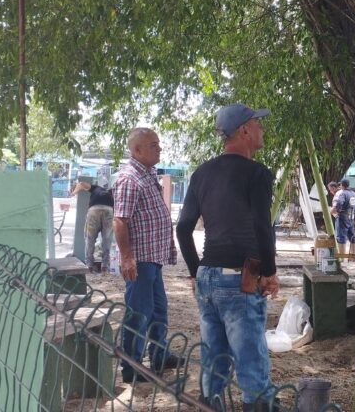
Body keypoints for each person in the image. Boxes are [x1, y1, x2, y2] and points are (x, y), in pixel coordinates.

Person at [176, 103, 280, 412]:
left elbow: (182, 229)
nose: (262, 130)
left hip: (208, 277)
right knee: (251, 363)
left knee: (214, 359)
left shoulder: (202, 173)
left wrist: (196, 272)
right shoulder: (257, 174)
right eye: (258, 124)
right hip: (239, 278)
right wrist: (268, 272)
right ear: (245, 130)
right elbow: (262, 226)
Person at [112, 127, 182, 383]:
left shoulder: (147, 173)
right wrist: (127, 257)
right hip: (139, 260)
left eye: (158, 144)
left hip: (152, 257)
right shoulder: (129, 178)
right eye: (153, 145)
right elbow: (120, 220)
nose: (159, 148)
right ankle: (132, 368)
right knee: (139, 312)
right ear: (137, 150)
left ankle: (159, 355)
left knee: (158, 310)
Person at [70, 181, 114, 272]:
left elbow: (81, 184)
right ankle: (105, 266)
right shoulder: (112, 192)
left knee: (89, 238)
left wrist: (73, 192)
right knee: (107, 239)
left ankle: (89, 265)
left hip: (94, 210)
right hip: (109, 210)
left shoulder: (95, 188)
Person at [331, 178, 355, 255]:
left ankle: (342, 257)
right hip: (351, 217)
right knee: (352, 236)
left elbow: (339, 202)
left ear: (342, 185)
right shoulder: (354, 194)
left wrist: (338, 211)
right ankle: (353, 255)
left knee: (341, 237)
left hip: (342, 217)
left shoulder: (343, 193)